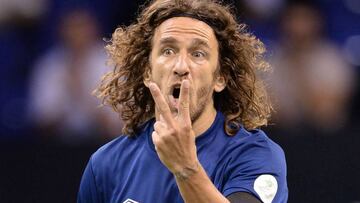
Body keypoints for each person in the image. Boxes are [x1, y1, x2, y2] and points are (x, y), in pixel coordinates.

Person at [78, 0, 288, 202]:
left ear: (220, 78)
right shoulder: (105, 165)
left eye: (198, 54)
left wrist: (186, 168)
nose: (181, 66)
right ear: (147, 72)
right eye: (168, 51)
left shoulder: (256, 155)